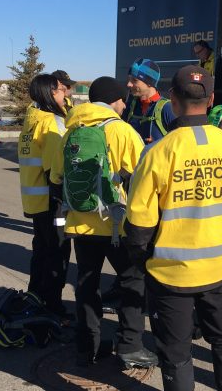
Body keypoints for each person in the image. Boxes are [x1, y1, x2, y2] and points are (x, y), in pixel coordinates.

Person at [125, 65, 222, 391]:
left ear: (172, 102)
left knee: (176, 355)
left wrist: (138, 259)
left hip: (171, 273)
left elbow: (140, 224)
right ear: (211, 101)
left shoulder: (157, 152)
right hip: (219, 268)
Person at [48, 76, 157, 369]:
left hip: (80, 223)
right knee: (132, 281)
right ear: (112, 99)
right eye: (122, 100)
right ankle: (130, 345)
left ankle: (88, 346)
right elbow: (143, 173)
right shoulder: (121, 130)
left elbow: (56, 176)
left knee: (87, 283)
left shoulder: (72, 130)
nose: (124, 105)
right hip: (117, 224)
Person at [17, 74, 72, 318]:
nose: (64, 95)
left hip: (35, 201)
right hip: (54, 202)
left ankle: (35, 296)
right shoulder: (51, 122)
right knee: (58, 252)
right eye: (60, 91)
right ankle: (53, 306)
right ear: (50, 93)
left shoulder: (31, 119)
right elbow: (55, 168)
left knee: (41, 250)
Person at [124, 58, 176, 143]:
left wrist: (159, 145)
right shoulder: (129, 107)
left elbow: (181, 143)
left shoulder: (168, 108)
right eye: (129, 80)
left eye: (134, 80)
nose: (128, 84)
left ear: (149, 82)